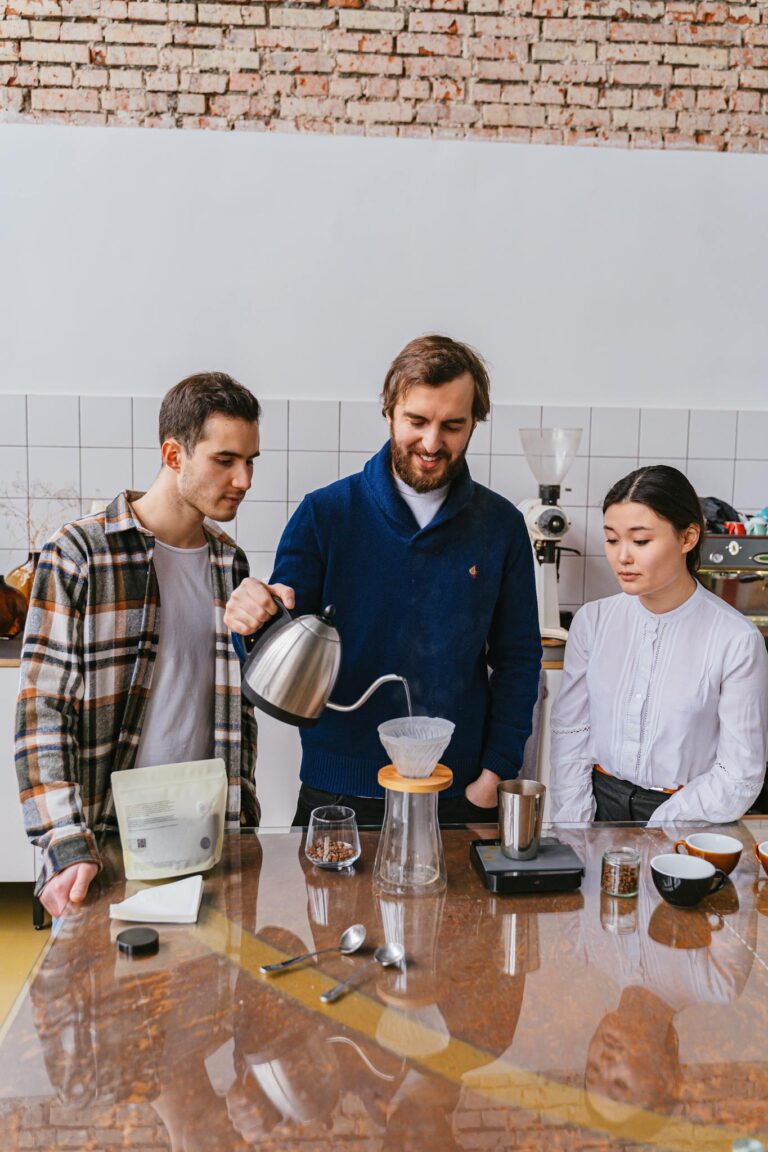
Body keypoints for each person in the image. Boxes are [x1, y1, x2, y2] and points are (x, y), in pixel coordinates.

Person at [224, 334, 542, 827]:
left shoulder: (500, 527)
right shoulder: (325, 514)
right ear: (389, 412)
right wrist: (252, 621)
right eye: (417, 421)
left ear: (473, 424)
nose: (433, 444)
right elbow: (273, 647)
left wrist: (494, 774)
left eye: (453, 426)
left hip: (459, 794)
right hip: (338, 794)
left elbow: (519, 659)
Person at [16, 372, 262, 917]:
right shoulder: (81, 554)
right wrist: (63, 841)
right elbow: (41, 713)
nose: (244, 479)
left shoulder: (230, 563)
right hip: (107, 843)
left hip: (206, 835)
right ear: (173, 455)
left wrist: (243, 811)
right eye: (225, 460)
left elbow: (235, 707)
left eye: (251, 461)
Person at [550, 464, 768, 824]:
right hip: (596, 803)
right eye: (612, 539)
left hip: (690, 814)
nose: (622, 557)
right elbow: (571, 730)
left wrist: (662, 828)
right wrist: (575, 824)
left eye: (640, 541)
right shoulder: (594, 621)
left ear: (688, 538)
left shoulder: (735, 640)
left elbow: (740, 773)